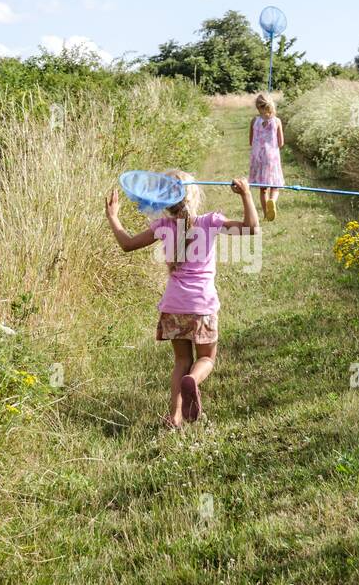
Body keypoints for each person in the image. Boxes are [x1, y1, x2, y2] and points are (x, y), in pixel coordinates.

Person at [105, 171, 259, 428]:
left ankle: (174, 417)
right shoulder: (210, 222)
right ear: (194, 195)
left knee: (181, 362)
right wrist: (246, 194)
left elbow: (127, 244)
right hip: (202, 306)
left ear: (163, 200)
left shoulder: (163, 227)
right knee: (206, 359)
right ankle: (194, 381)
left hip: (174, 305)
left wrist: (113, 217)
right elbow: (251, 229)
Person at [248, 93, 285, 221]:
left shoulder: (254, 121)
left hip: (257, 157)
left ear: (258, 107)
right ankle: (272, 201)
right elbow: (281, 143)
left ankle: (266, 215)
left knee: (263, 189)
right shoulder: (277, 121)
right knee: (275, 186)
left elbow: (251, 141)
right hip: (272, 157)